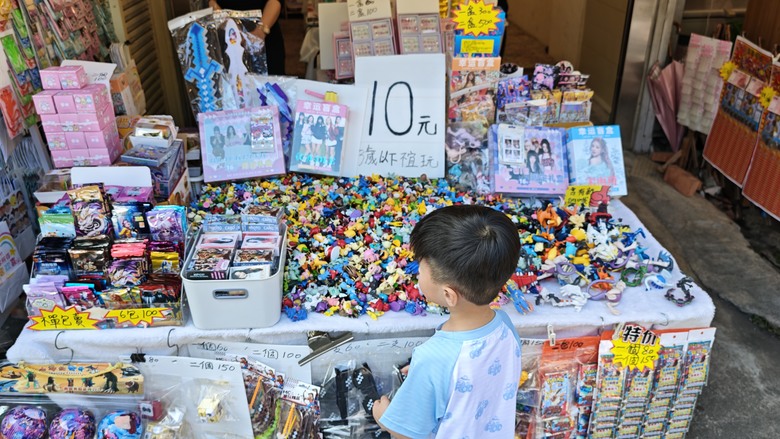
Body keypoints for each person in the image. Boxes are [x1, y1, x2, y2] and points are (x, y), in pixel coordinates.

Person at [372, 205, 522, 438]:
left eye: (421, 269)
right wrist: (437, 378)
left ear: (449, 295)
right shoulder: (505, 324)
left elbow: (407, 434)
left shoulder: (433, 358)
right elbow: (480, 374)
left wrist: (384, 419)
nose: (417, 275)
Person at [209, 0, 286, 75]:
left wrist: (260, 32)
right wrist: (230, 27)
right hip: (226, 38)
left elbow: (275, 1)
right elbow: (211, 2)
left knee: (270, 84)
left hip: (266, 38)